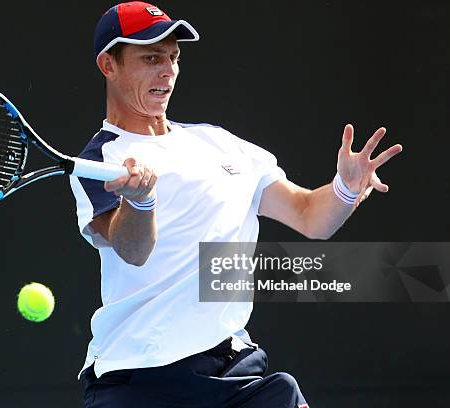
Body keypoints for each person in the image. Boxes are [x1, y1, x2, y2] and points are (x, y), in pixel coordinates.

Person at [69, 2, 403, 407]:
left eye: (173, 58)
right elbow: (133, 251)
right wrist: (140, 203)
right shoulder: (100, 161)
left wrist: (346, 189)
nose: (168, 71)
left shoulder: (220, 142)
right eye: (151, 58)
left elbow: (310, 216)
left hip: (234, 372)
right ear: (109, 65)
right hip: (139, 380)